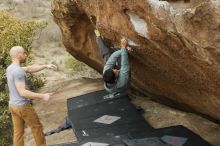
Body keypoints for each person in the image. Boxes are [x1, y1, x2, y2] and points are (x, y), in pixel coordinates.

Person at [6, 46, 57, 146]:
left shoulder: (10, 68)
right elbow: (23, 92)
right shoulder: (18, 71)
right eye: (24, 53)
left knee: (18, 133)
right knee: (36, 127)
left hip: (13, 106)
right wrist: (43, 96)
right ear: (19, 55)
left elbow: (29, 68)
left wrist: (45, 66)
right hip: (23, 106)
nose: (25, 55)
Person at [95, 29, 132, 94]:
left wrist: (124, 49)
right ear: (115, 79)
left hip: (112, 81)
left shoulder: (106, 71)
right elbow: (125, 64)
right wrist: (123, 47)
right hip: (122, 84)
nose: (116, 70)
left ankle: (98, 38)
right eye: (115, 72)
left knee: (106, 55)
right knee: (122, 60)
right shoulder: (122, 81)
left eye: (113, 70)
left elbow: (112, 58)